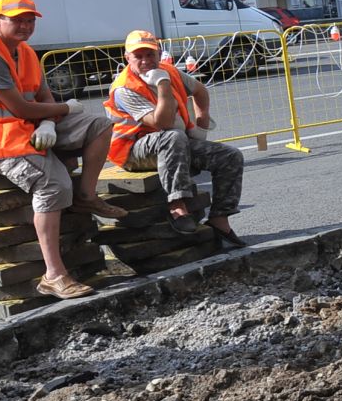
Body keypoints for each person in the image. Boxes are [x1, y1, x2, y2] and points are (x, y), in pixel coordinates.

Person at [0, 0, 126, 301]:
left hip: (26, 127)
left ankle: (85, 196)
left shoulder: (25, 52)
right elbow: (20, 108)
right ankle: (54, 275)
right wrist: (61, 112)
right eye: (17, 20)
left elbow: (43, 96)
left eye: (29, 20)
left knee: (100, 125)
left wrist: (49, 121)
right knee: (54, 185)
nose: (25, 26)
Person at [103, 31, 247, 246]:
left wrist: (202, 120)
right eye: (138, 56)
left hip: (172, 143)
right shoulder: (124, 88)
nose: (145, 61)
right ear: (127, 58)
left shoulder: (170, 71)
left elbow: (200, 90)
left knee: (230, 156)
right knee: (173, 135)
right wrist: (162, 85)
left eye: (150, 55)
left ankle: (219, 219)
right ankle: (177, 206)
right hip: (132, 151)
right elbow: (162, 124)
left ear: (158, 54)